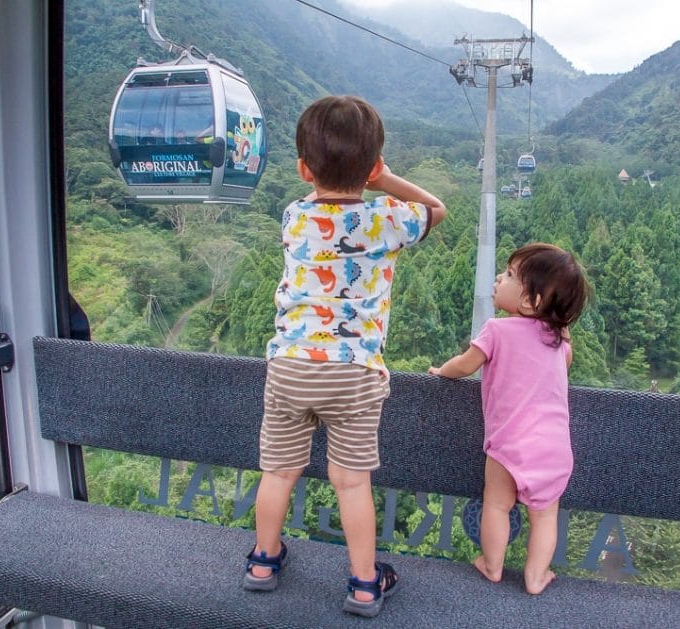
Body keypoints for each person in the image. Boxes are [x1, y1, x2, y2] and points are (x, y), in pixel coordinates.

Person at [244, 95, 446, 618]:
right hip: (354, 372)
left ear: (302, 168)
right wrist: (387, 181)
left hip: (289, 365)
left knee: (279, 471)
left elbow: (322, 210)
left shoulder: (293, 216)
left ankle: (263, 561)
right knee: (351, 481)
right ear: (374, 165)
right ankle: (362, 583)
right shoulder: (389, 218)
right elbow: (438, 211)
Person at [429, 243, 590, 595]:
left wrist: (441, 369)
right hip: (555, 449)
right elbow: (563, 363)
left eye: (510, 275)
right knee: (545, 516)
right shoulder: (558, 340)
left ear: (530, 301)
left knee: (498, 506)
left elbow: (465, 365)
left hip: (509, 444)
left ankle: (492, 565)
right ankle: (535, 577)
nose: (500, 278)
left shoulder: (497, 330)